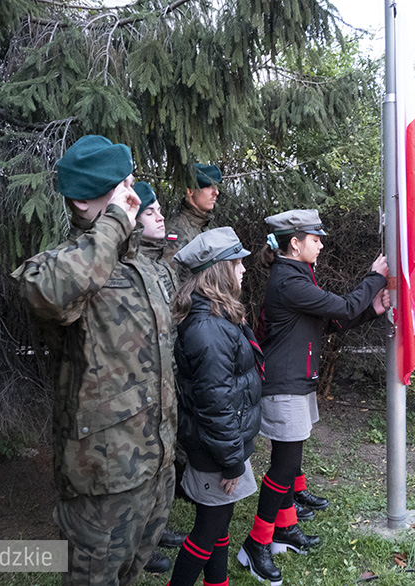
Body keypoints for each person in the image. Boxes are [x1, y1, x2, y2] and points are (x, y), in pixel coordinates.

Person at [11, 135, 177, 586]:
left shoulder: (139, 266)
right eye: (120, 187)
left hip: (155, 467)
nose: (133, 195)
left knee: (131, 573)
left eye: (132, 182)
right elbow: (47, 290)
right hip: (103, 479)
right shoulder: (62, 267)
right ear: (82, 200)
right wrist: (115, 223)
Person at [238, 209, 389, 585]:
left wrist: (375, 308)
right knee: (284, 467)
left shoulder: (298, 275)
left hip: (297, 382)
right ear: (295, 242)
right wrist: (375, 277)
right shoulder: (289, 281)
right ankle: (255, 545)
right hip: (284, 385)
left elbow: (338, 319)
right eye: (315, 238)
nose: (321, 244)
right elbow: (343, 306)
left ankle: (285, 528)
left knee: (290, 461)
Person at [166, 227, 264, 586]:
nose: (243, 270)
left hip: (223, 447)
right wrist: (231, 460)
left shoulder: (220, 317)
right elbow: (215, 404)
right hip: (215, 451)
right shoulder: (208, 329)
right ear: (220, 270)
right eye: (237, 263)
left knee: (220, 524)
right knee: (206, 532)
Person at [132, 181, 187, 574]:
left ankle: (155, 530)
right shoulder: (128, 266)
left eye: (158, 211)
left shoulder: (161, 265)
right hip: (139, 391)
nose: (160, 216)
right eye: (150, 213)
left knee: (162, 466)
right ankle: (138, 544)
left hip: (166, 384)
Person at [162, 163, 221, 281]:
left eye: (216, 187)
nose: (216, 193)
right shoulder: (176, 231)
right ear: (190, 191)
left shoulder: (203, 227)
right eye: (208, 187)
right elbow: (169, 283)